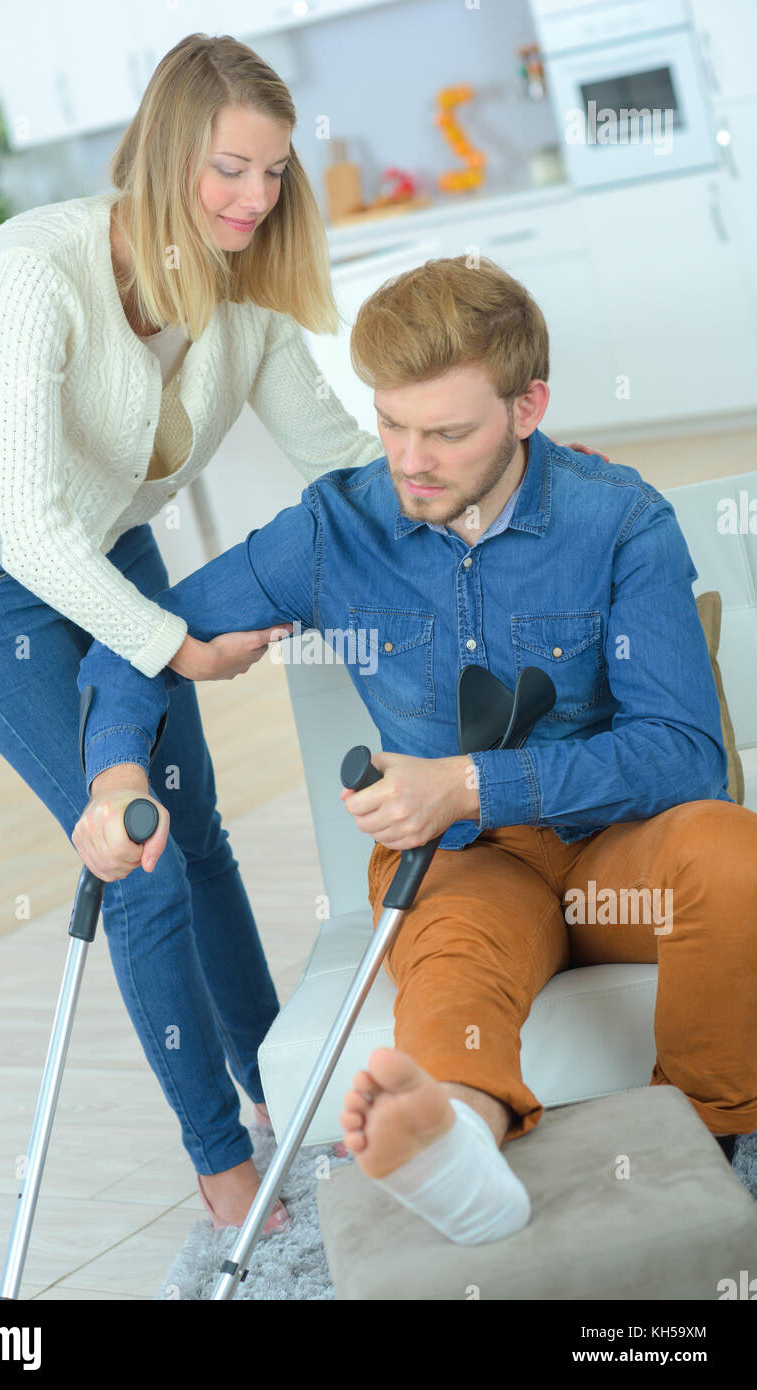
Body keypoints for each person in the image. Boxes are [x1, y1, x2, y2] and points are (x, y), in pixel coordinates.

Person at [71, 252, 757, 1246]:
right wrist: (118, 772)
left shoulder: (620, 521)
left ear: (529, 409)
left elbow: (687, 755)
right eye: (392, 423)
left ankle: (695, 1149)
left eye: (448, 431)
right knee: (453, 948)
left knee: (735, 856)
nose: (411, 460)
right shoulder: (334, 528)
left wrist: (473, 779)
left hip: (622, 848)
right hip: (467, 860)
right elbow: (136, 637)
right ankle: (461, 1146)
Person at [0, 31, 404, 1231]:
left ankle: (276, 1080)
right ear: (169, 148)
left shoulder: (248, 287)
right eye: (231, 167)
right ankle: (221, 1158)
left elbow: (333, 453)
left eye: (275, 173)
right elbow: (29, 534)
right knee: (144, 851)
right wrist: (177, 645)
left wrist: (475, 476)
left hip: (109, 542)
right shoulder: (36, 275)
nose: (254, 199)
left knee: (204, 830)